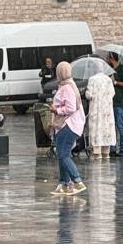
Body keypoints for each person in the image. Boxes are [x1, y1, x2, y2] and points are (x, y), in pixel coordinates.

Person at [50, 61, 87, 195]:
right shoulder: (69, 84)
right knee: (61, 154)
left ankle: (77, 181)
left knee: (64, 155)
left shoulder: (66, 87)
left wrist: (56, 110)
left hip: (68, 124)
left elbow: (71, 107)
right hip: (68, 124)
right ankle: (64, 183)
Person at [85, 69, 116, 158]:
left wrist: (87, 92)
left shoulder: (92, 79)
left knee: (97, 129)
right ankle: (106, 152)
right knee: (106, 129)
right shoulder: (108, 80)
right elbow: (112, 93)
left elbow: (89, 95)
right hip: (107, 111)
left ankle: (97, 153)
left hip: (96, 110)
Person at [105, 53, 123, 157]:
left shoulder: (122, 69)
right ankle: (113, 148)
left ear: (112, 58)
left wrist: (115, 83)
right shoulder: (108, 69)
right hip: (110, 102)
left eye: (107, 58)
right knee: (111, 126)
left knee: (121, 126)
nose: (106, 59)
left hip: (119, 101)